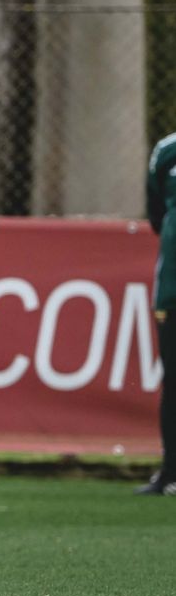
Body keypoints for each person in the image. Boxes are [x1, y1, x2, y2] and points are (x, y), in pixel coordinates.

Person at [139, 135, 176, 495]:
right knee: (173, 380)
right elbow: (156, 215)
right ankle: (171, 473)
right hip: (173, 287)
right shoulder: (167, 152)